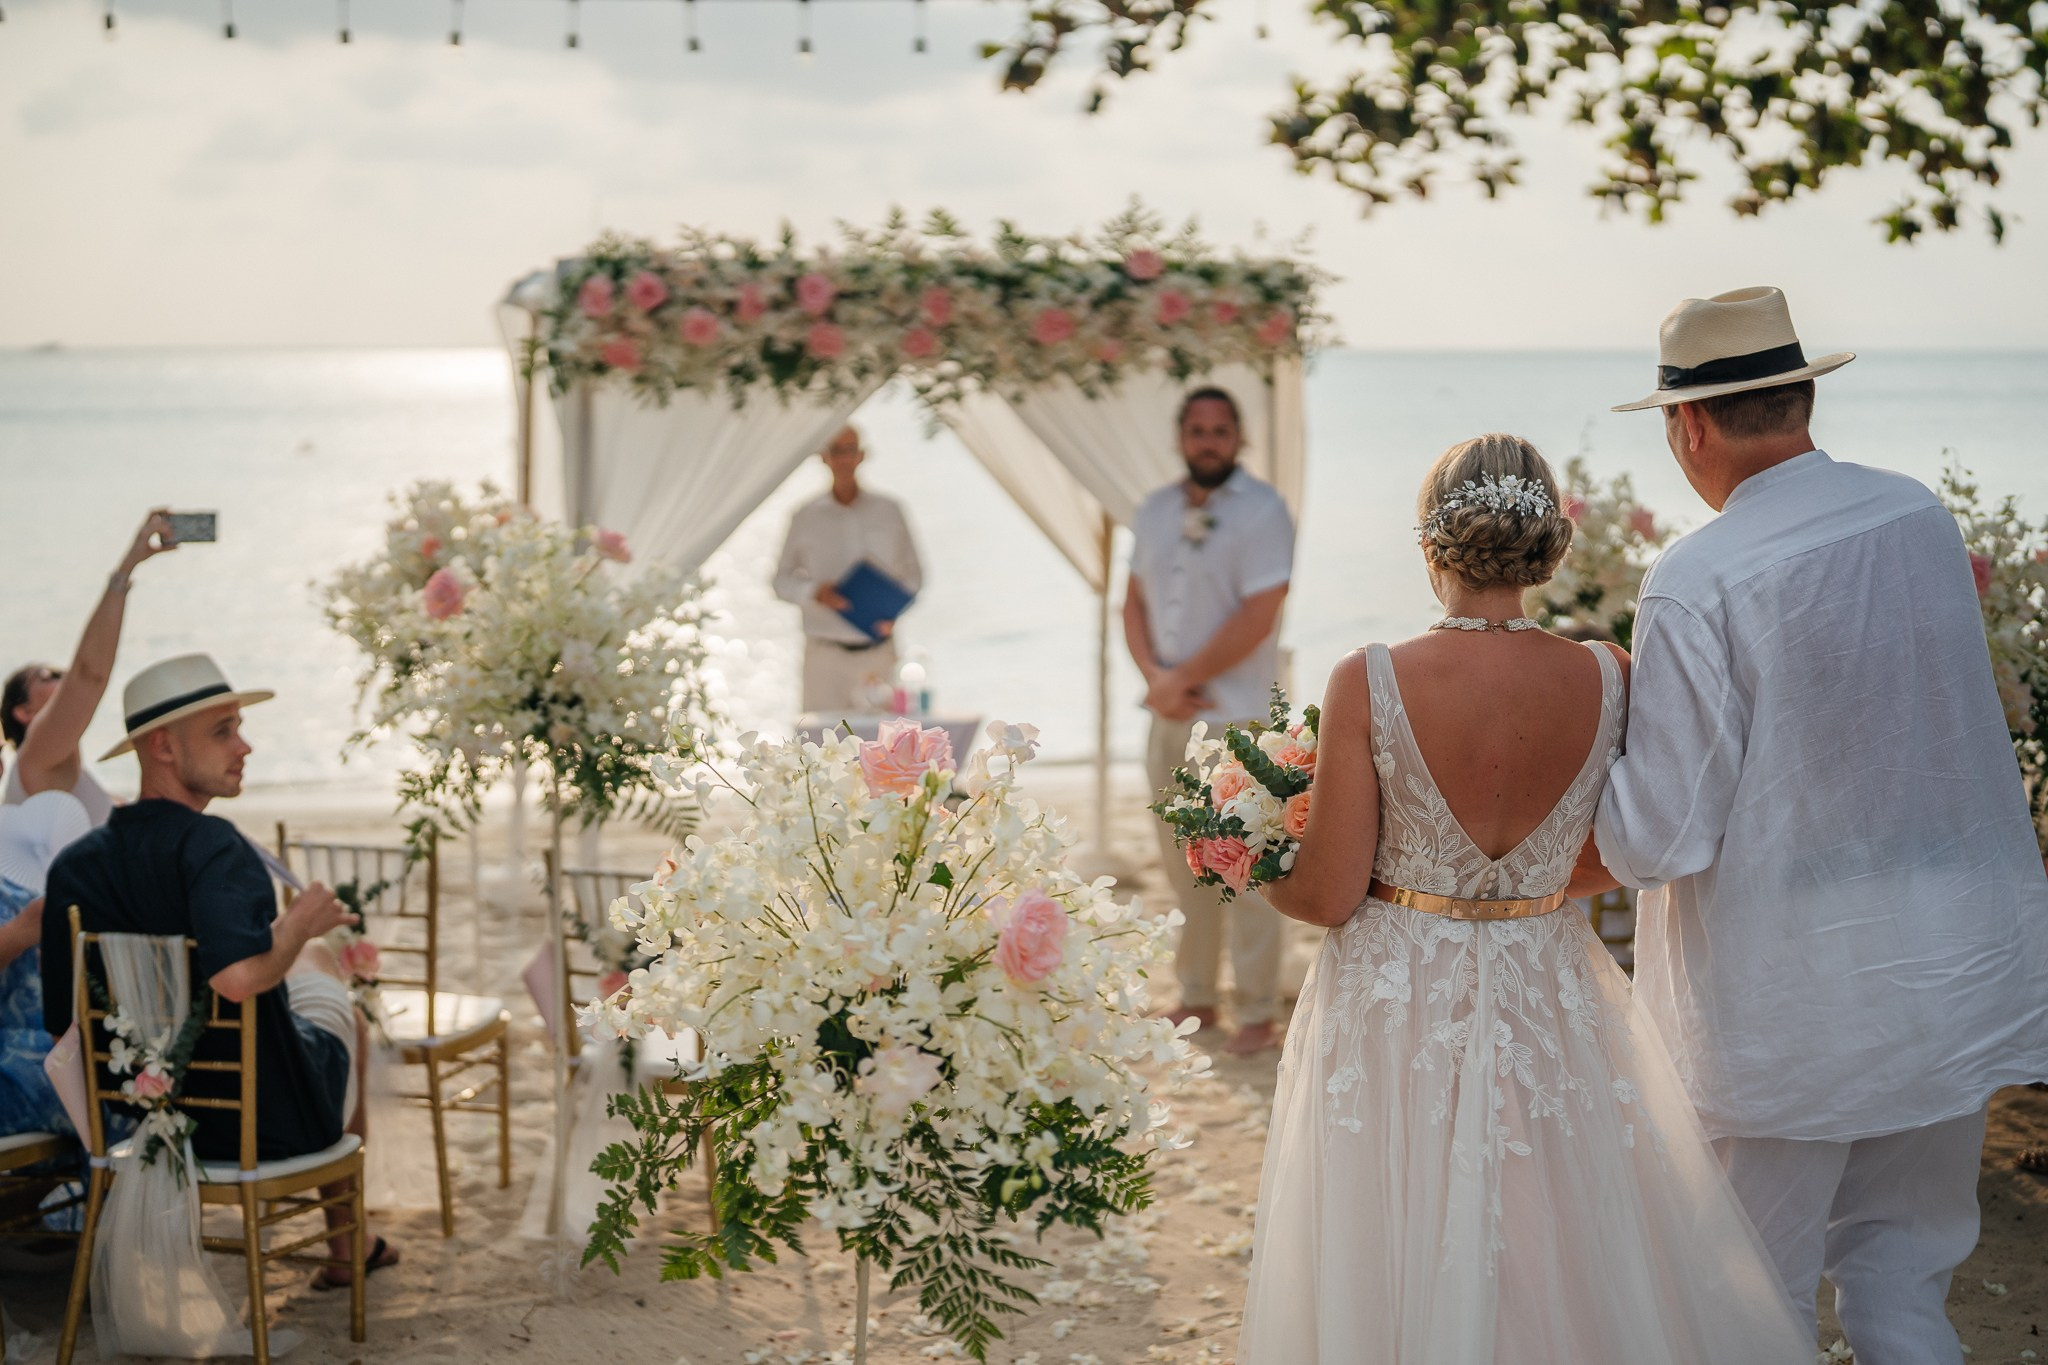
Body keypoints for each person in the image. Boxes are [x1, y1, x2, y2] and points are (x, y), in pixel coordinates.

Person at [1238, 434, 1814, 1363]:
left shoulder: (1370, 677)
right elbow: (1623, 849)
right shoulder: (1606, 674)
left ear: (1431, 544)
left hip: (1398, 992)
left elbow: (1332, 891)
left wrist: (1253, 861)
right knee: (1553, 1217)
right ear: (1551, 541)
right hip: (1548, 975)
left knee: (1400, 1218)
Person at [1594, 286, 2048, 1364]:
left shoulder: (1694, 575)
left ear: (1688, 423)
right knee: (1903, 1280)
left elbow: (1661, 835)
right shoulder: (1914, 515)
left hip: (1787, 988)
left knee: (1749, 1293)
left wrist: (1581, 763)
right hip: (1946, 950)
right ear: (1798, 396)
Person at [41, 653, 398, 1285]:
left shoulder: (75, 866)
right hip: (268, 1121)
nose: (246, 745)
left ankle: (353, 1243)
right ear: (163, 748)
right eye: (223, 731)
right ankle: (347, 1247)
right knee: (335, 997)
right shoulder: (213, 847)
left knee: (300, 974)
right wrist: (295, 926)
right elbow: (236, 980)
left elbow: (59, 1018)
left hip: (142, 1120)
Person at [1126, 388, 1293, 1056]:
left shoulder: (1264, 512)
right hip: (1168, 713)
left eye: (1220, 430)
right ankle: (1195, 993)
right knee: (1178, 863)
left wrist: (1181, 679)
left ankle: (1255, 1006)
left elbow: (1261, 613)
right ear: (1180, 436)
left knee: (1245, 866)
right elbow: (1131, 603)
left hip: (1237, 720)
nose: (1208, 441)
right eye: (1197, 430)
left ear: (1239, 437)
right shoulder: (1154, 509)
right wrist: (1155, 681)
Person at [4, 509, 179, 826]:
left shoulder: (57, 772)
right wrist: (126, 569)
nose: (64, 678)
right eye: (50, 677)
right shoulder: (35, 757)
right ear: (23, 712)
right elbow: (89, 676)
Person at [773, 425, 924, 714]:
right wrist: (814, 592)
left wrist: (893, 610)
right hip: (825, 657)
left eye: (850, 450)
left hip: (878, 652)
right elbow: (781, 580)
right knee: (818, 747)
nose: (843, 459)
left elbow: (914, 575)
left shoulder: (890, 510)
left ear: (861, 455)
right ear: (824, 457)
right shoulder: (805, 516)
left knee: (887, 745)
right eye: (836, 451)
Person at [0, 790, 92, 1136]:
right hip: (16, 1061)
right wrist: (18, 933)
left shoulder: (13, 845)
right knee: (112, 1082)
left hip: (45, 1040)